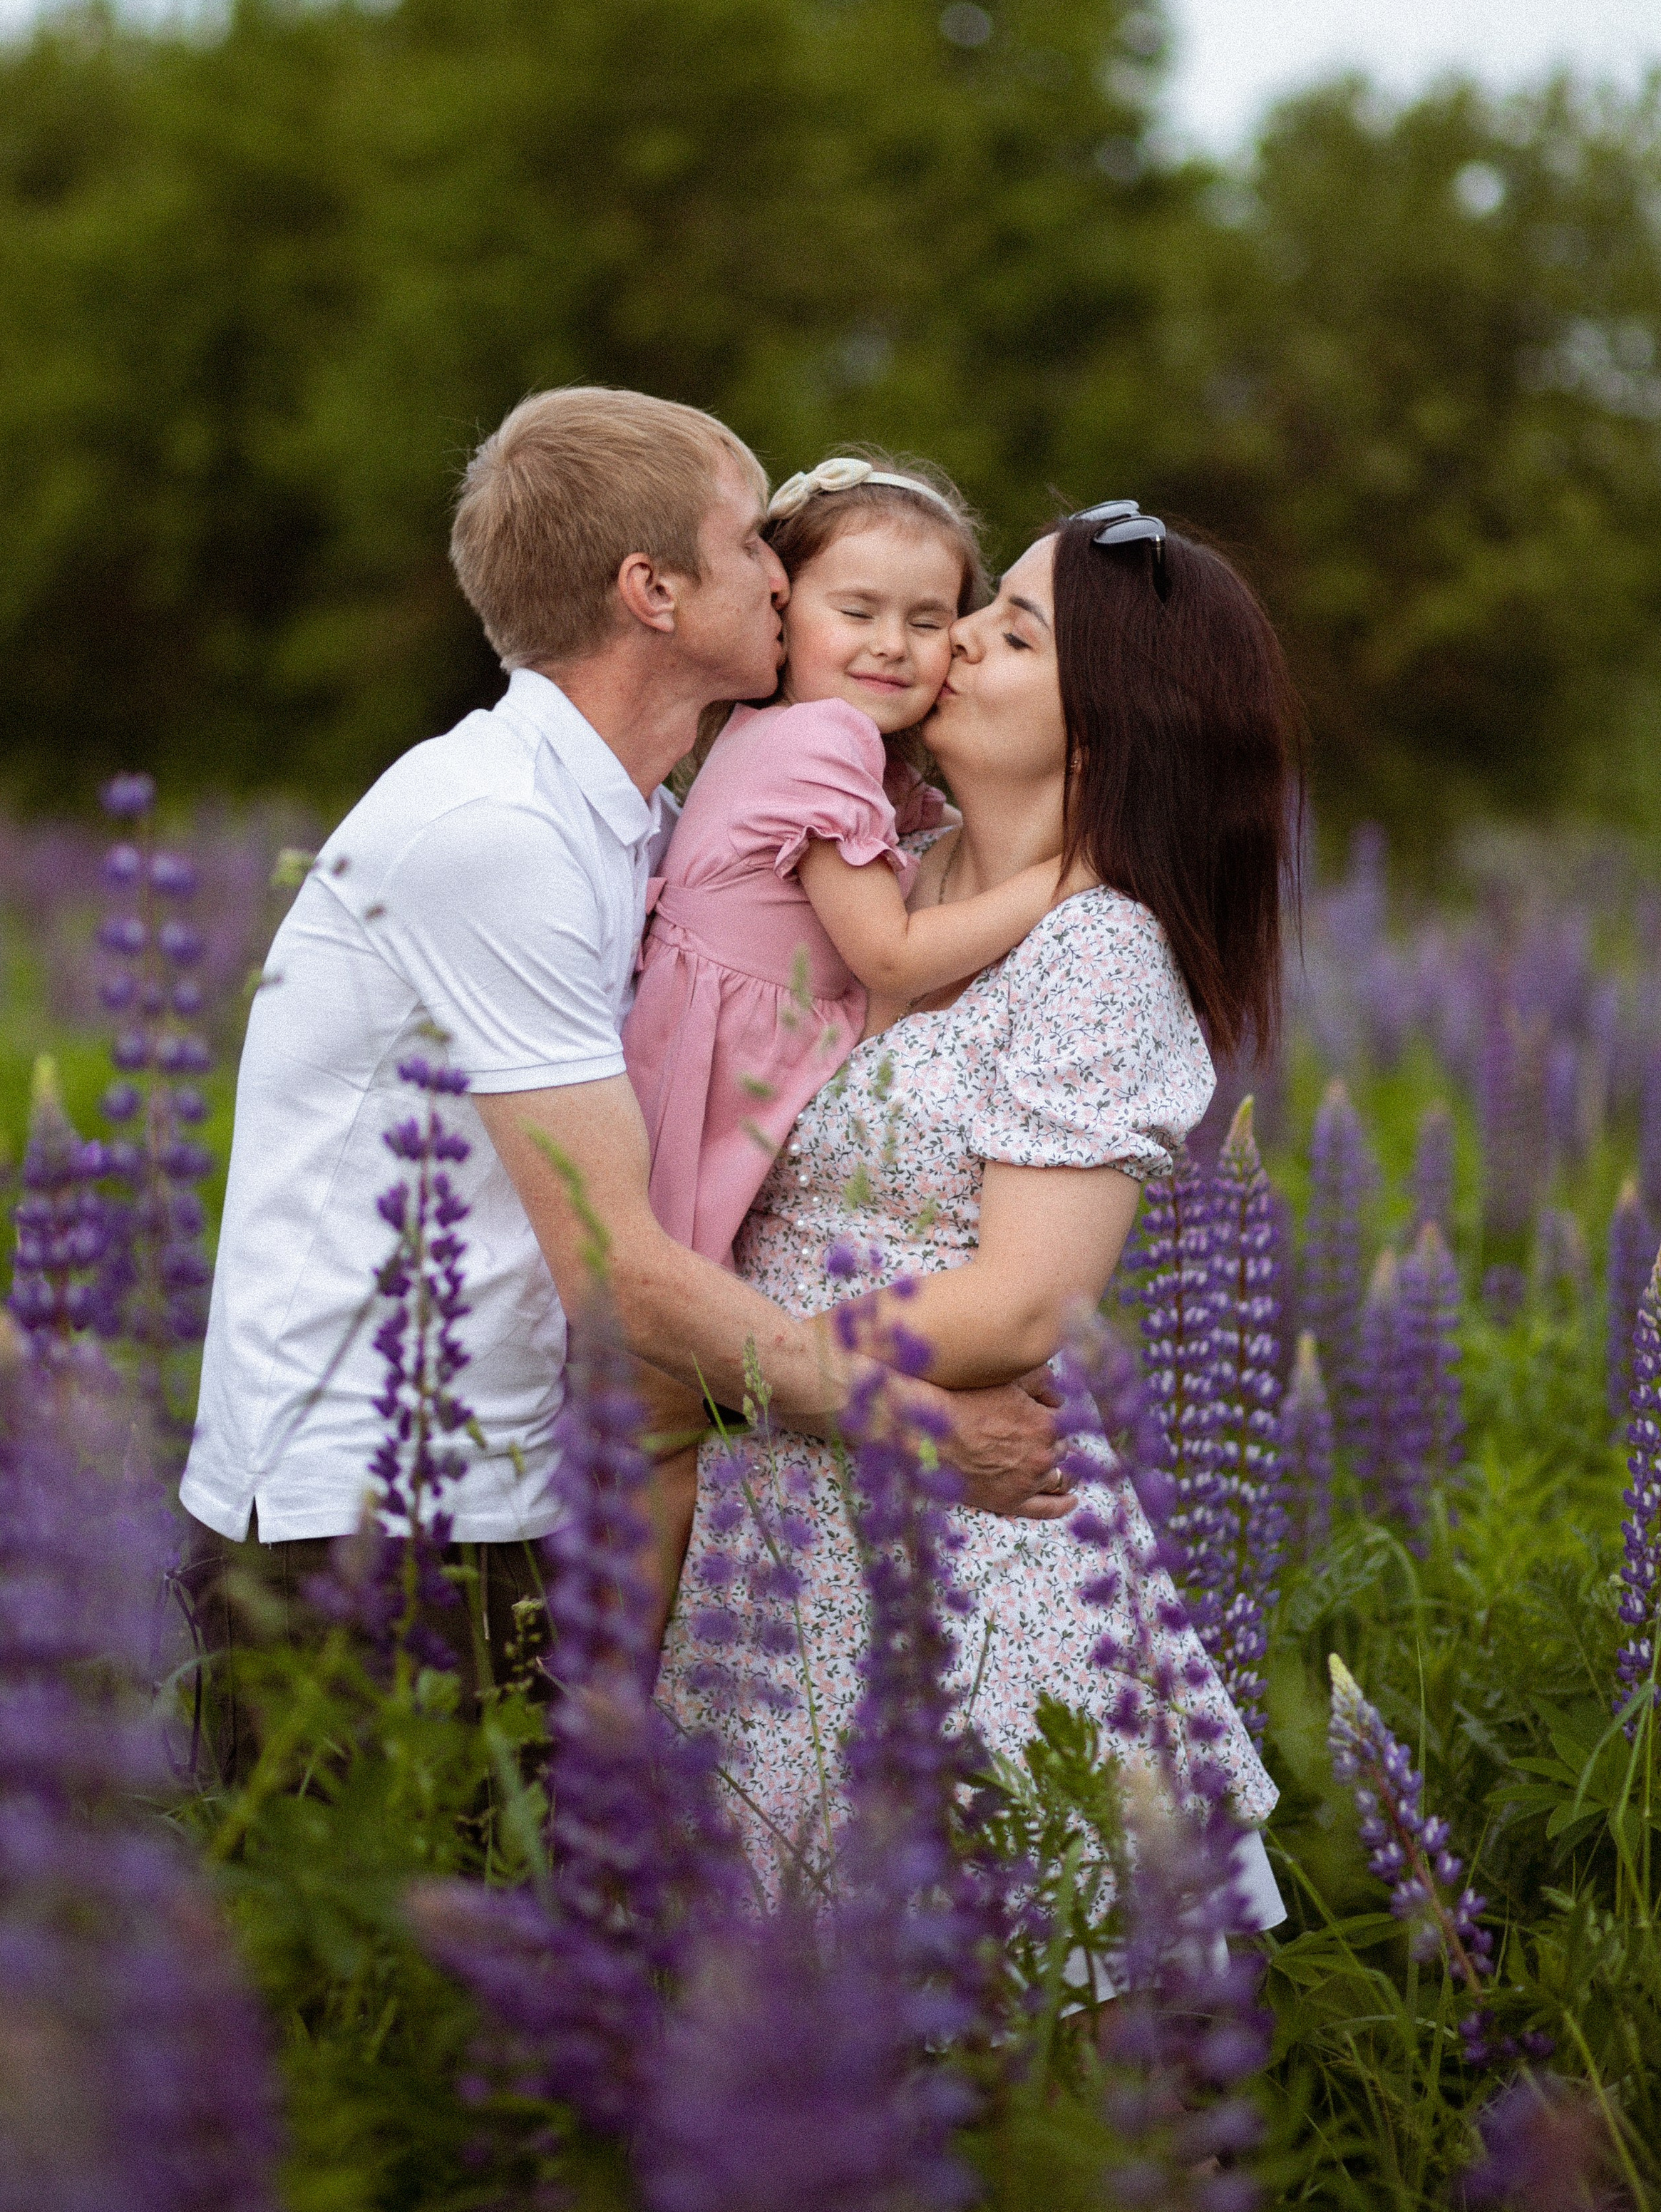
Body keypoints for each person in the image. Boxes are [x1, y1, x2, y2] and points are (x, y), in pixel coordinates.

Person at [176, 387, 1069, 1732]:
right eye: (754, 540)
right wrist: (924, 1429)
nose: (787, 564)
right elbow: (617, 1270)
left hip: (518, 1483)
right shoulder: (496, 830)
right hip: (361, 1519)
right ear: (653, 589)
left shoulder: (642, 821)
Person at [655, 501, 1302, 1917]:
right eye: (977, 609)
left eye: (1013, 630)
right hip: (789, 1516)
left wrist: (731, 1357)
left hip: (964, 1567)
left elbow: (1021, 1300)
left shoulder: (1100, 949)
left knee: (1017, 2060)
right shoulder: (893, 855)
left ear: (1107, 726)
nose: (952, 642)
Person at [623, 451, 1071, 1611]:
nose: (894, 644)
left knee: (675, 1413)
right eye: (855, 610)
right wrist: (1061, 883)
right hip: (709, 1092)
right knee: (670, 1409)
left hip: (735, 1068)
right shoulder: (817, 745)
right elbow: (889, 958)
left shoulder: (844, 760)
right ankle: (616, 1679)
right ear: (784, 615)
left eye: (932, 620)